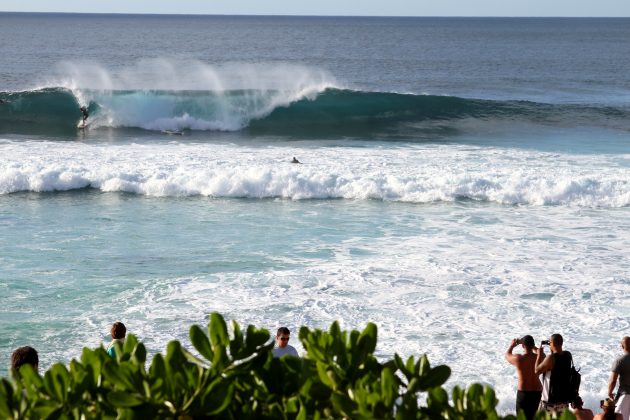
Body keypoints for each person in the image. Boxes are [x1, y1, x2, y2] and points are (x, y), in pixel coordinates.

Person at [505, 335, 543, 420]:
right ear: (533, 345)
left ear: (522, 346)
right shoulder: (540, 357)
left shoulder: (519, 358)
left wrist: (512, 345)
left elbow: (507, 355)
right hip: (537, 392)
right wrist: (534, 347)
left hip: (524, 393)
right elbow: (539, 352)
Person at [536, 333, 575, 413]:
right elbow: (557, 361)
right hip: (563, 401)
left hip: (549, 402)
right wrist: (552, 350)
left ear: (552, 343)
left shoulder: (550, 358)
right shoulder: (568, 355)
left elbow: (536, 371)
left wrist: (539, 355)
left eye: (550, 343)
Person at [608, 337, 630, 420]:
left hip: (625, 394)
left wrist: (610, 392)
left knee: (619, 417)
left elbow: (613, 380)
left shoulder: (620, 360)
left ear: (622, 346)